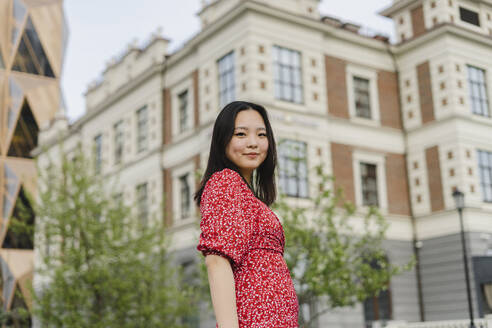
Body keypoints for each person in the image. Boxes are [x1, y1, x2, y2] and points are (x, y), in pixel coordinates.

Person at [194, 101, 299, 327]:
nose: (253, 143)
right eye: (240, 134)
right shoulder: (226, 182)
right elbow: (216, 262)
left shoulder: (248, 195)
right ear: (222, 139)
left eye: (261, 135)